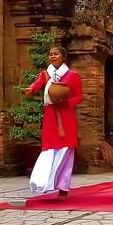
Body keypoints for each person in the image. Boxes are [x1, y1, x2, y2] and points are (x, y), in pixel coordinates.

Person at [24, 46, 83, 200]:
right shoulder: (45, 74)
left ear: (63, 57)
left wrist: (65, 102)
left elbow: (79, 97)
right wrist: (30, 90)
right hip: (50, 115)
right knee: (49, 149)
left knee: (65, 151)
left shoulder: (73, 75)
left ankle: (63, 189)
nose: (52, 56)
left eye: (56, 54)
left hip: (66, 116)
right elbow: (36, 85)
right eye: (50, 54)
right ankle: (43, 182)